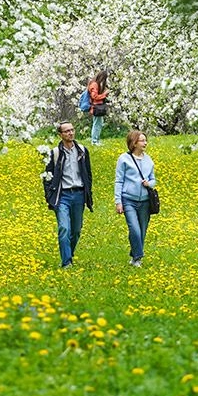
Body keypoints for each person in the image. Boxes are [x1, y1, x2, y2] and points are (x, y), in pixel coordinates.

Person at [41, 121, 93, 269]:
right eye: (66, 131)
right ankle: (66, 262)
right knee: (64, 228)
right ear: (60, 135)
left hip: (78, 194)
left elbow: (88, 175)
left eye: (72, 130)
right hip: (62, 195)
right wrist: (49, 196)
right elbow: (47, 176)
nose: (70, 133)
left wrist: (88, 194)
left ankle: (68, 254)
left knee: (76, 231)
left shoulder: (82, 151)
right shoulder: (55, 153)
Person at [114, 129, 157, 267]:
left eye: (145, 140)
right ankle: (138, 257)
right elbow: (119, 180)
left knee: (142, 230)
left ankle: (134, 257)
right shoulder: (124, 159)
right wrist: (118, 201)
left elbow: (153, 179)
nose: (145, 143)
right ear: (134, 143)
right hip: (128, 200)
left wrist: (148, 183)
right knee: (134, 229)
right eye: (142, 140)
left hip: (145, 201)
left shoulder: (148, 159)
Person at [86, 71, 110, 143]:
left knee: (99, 123)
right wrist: (104, 94)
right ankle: (94, 141)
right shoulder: (94, 85)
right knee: (97, 124)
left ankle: (96, 140)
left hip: (98, 106)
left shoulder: (95, 84)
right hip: (96, 107)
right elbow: (94, 96)